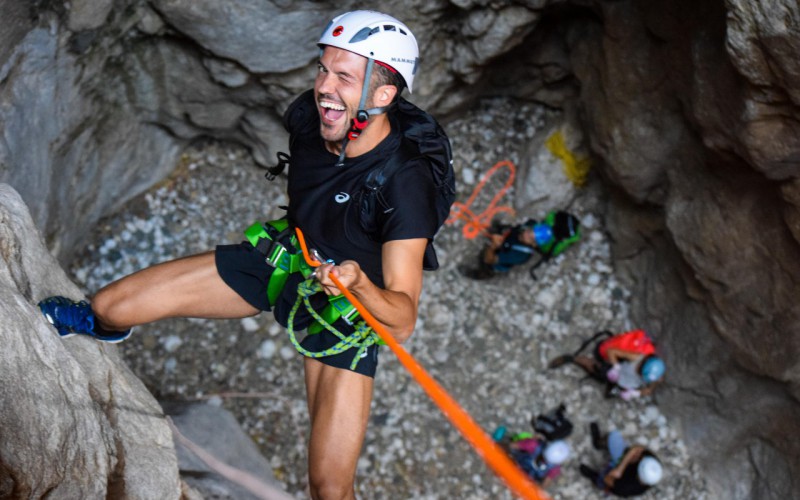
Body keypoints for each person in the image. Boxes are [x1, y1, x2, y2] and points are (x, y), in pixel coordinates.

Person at [38, 10, 447, 500]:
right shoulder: (311, 118)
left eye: (343, 77)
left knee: (330, 489)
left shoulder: (406, 186)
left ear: (382, 95)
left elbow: (401, 320)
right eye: (323, 68)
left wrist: (357, 282)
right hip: (285, 258)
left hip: (346, 307)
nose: (322, 87)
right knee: (108, 308)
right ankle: (96, 328)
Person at [461, 210, 580, 280]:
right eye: (531, 231)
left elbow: (490, 259)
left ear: (534, 245)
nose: (528, 234)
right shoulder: (530, 225)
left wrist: (493, 246)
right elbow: (518, 228)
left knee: (486, 262)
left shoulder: (520, 255)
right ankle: (497, 232)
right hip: (507, 240)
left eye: (531, 237)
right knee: (501, 231)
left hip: (497, 257)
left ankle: (482, 273)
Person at [548, 330, 665, 400]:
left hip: (626, 381)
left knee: (616, 388)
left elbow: (649, 390)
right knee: (595, 368)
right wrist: (615, 367)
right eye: (640, 370)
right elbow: (612, 351)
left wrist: (636, 393)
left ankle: (612, 389)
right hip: (618, 370)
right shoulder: (637, 357)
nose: (638, 371)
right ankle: (572, 358)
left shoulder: (654, 375)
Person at [579, 422, 663, 497]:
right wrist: (620, 468)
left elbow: (607, 479)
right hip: (622, 466)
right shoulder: (652, 463)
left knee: (602, 479)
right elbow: (636, 448)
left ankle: (595, 478)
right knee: (614, 436)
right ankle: (598, 443)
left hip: (615, 481)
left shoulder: (626, 487)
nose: (640, 458)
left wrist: (616, 471)